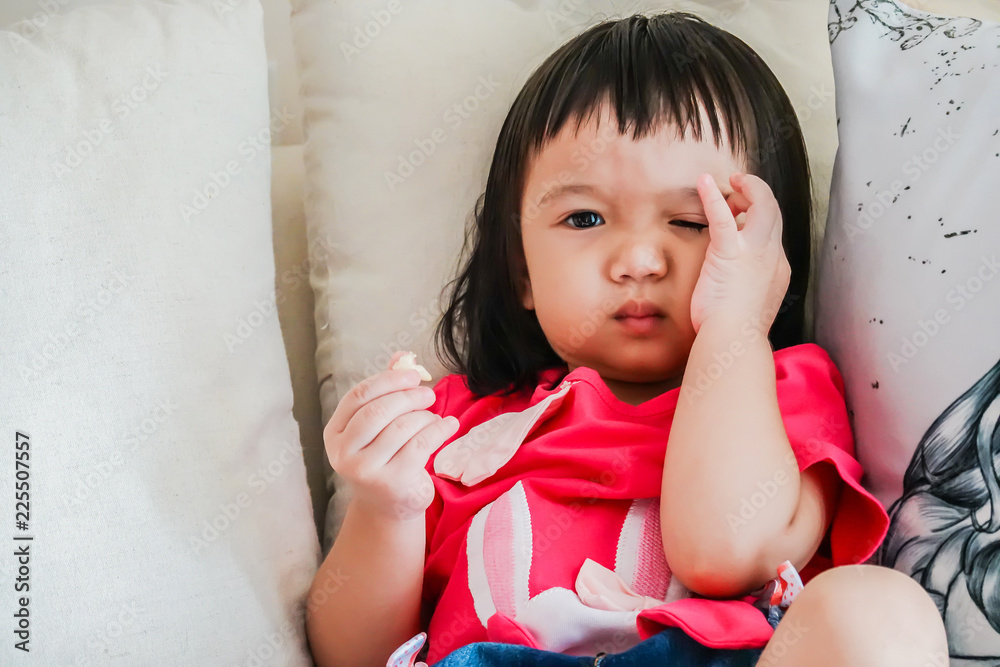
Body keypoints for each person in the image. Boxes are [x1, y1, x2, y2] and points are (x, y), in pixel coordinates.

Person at [306, 11, 949, 667]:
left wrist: (734, 323)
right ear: (521, 268)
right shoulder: (453, 422)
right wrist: (386, 507)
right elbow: (351, 657)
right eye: (585, 218)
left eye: (693, 221)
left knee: (878, 612)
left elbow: (723, 552)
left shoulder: (787, 394)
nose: (639, 260)